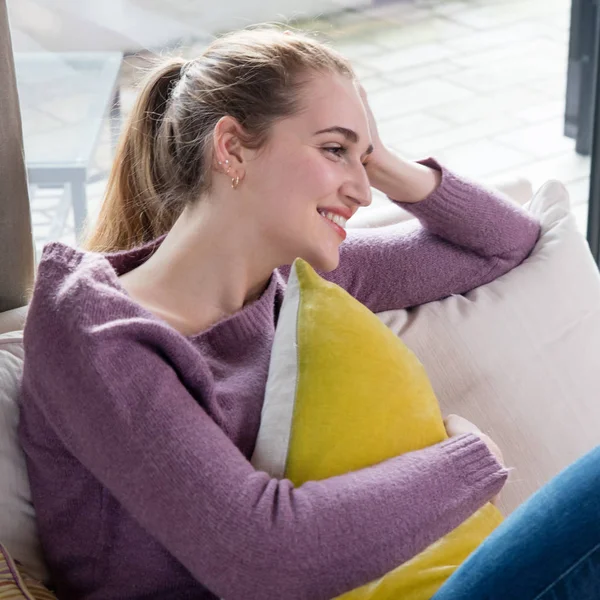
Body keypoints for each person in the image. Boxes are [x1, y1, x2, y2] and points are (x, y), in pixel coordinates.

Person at [17, 26, 594, 600]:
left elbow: (508, 244)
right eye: (334, 149)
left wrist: (382, 159)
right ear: (232, 148)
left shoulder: (298, 284)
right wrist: (475, 464)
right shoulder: (95, 333)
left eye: (363, 159)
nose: (364, 192)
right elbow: (262, 559)